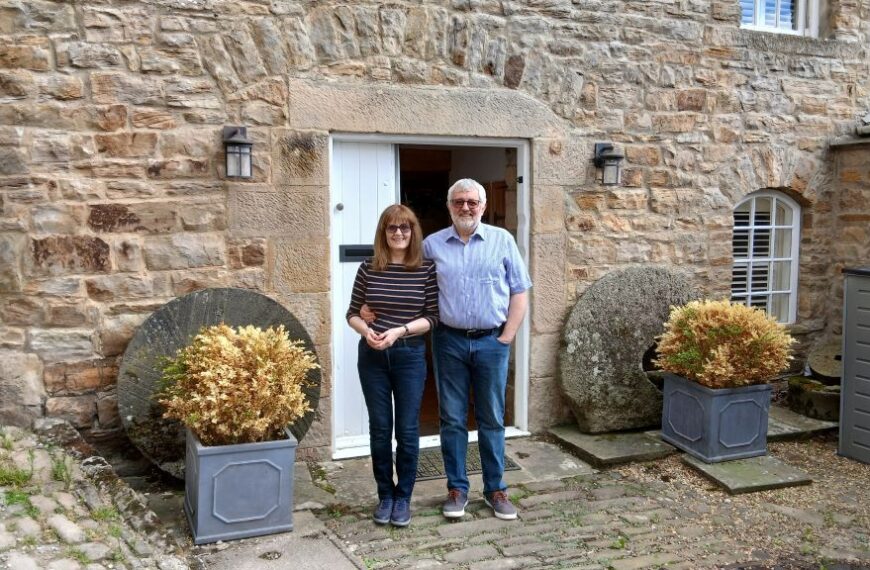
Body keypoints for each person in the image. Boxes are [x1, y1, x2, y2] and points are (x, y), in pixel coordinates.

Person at [425, 178, 531, 521]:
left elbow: (519, 290)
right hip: (449, 341)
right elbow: (415, 289)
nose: (466, 207)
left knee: (492, 418)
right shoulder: (431, 245)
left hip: (491, 341)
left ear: (483, 206)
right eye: (459, 202)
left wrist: (507, 337)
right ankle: (457, 489)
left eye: (472, 202)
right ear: (449, 206)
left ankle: (495, 489)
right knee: (452, 419)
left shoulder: (502, 240)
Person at [346, 204, 439, 527]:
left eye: (404, 227)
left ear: (413, 232)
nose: (398, 233)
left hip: (409, 356)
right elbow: (352, 313)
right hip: (372, 358)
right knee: (380, 428)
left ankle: (403, 497)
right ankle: (385, 494)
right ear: (383, 233)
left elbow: (433, 317)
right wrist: (366, 331)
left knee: (408, 429)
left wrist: (400, 331)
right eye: (392, 228)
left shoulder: (426, 269)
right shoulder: (368, 268)